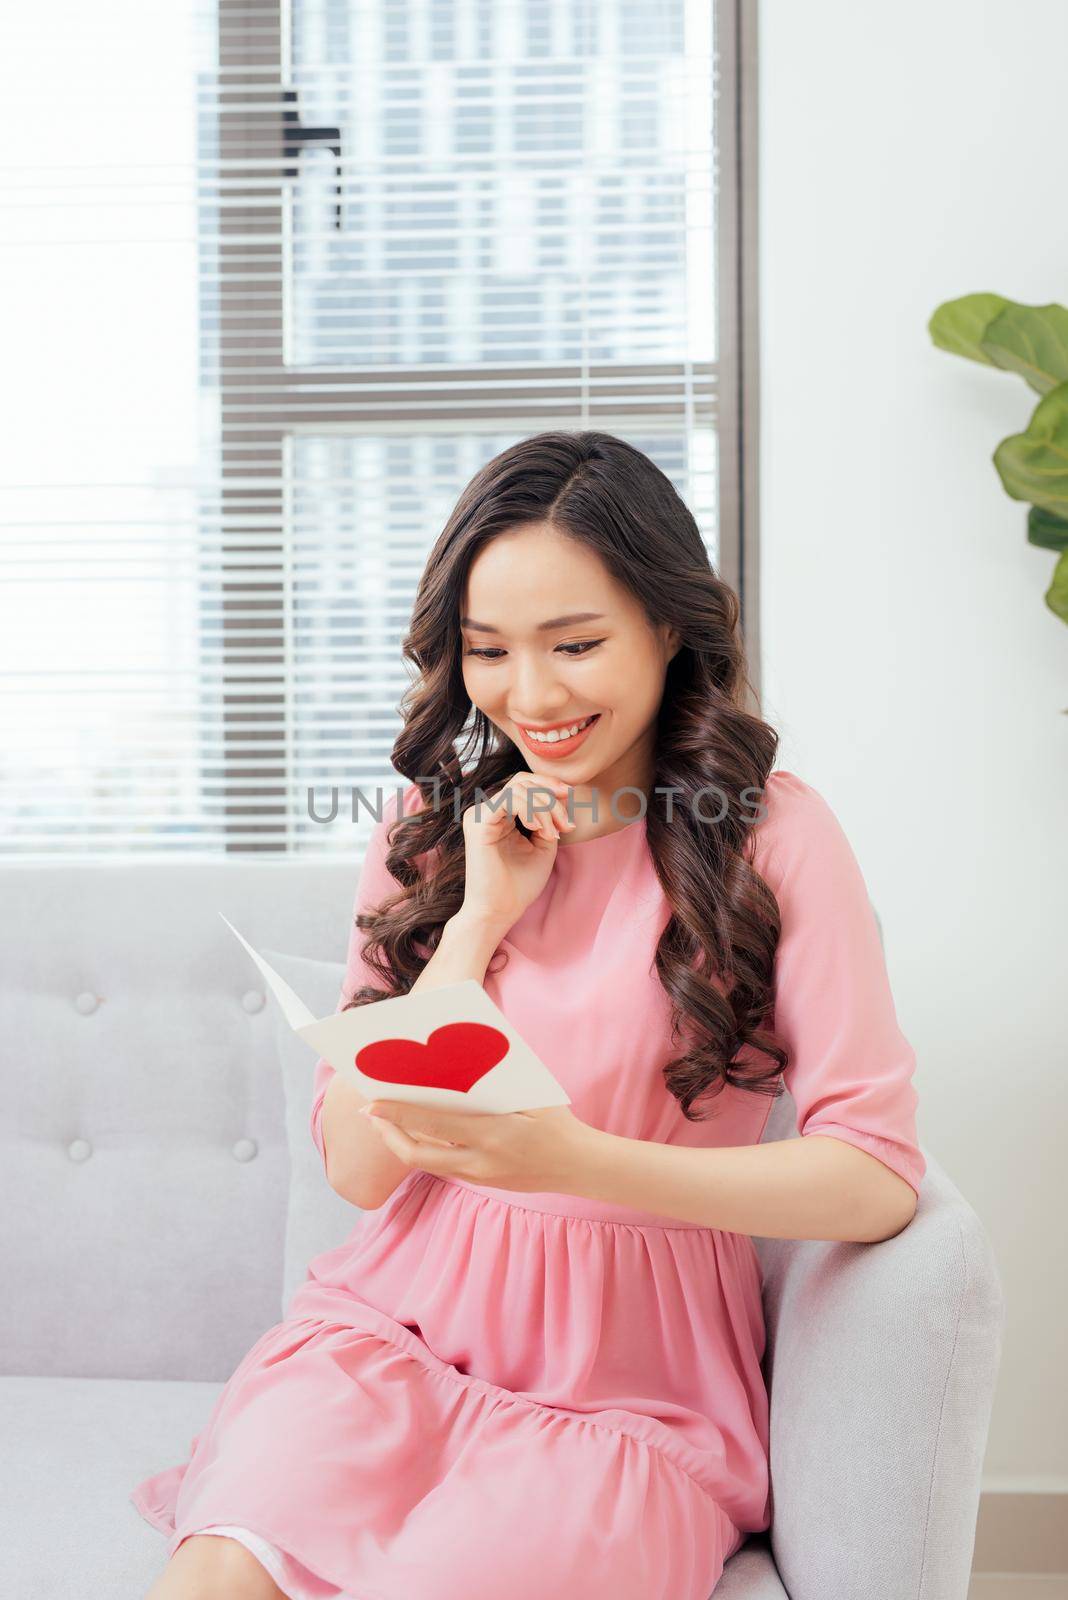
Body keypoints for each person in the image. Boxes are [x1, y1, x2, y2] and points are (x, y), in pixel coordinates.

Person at [132, 430, 925, 1600]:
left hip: (629, 1391)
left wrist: (575, 1160)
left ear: (669, 626)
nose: (533, 695)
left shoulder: (772, 834)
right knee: (217, 1574)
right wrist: (476, 922)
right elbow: (357, 1166)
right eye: (488, 651)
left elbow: (874, 1174)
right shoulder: (427, 828)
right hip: (387, 1341)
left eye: (578, 643)